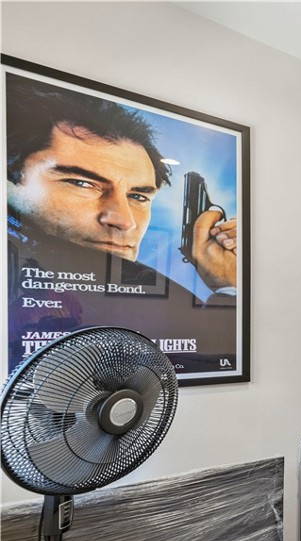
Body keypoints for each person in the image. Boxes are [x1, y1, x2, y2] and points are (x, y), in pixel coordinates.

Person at [6, 73, 240, 375]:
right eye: (81, 183)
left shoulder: (160, 297)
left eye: (139, 196)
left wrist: (226, 285)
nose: (124, 221)